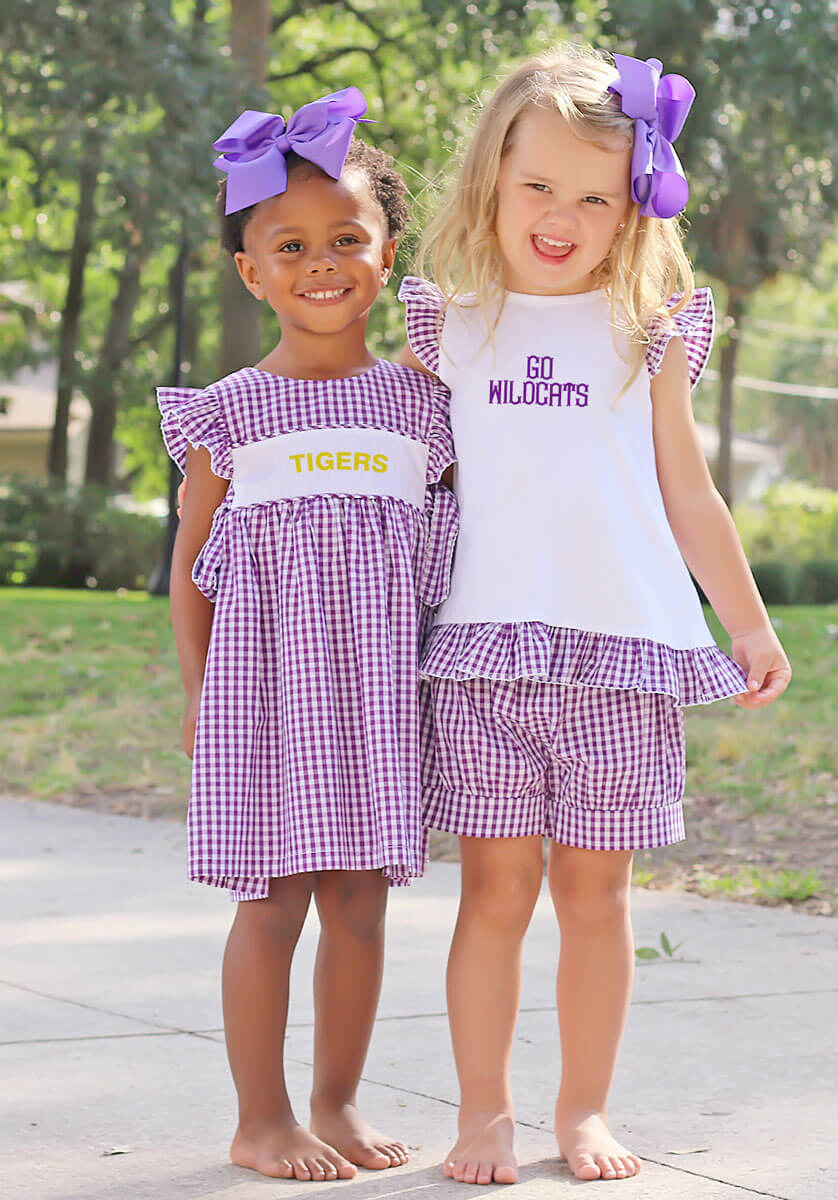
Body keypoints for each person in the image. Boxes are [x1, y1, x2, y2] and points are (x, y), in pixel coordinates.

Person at [397, 46, 791, 1185]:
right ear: (491, 182)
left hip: (623, 659)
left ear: (634, 207)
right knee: (494, 891)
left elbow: (688, 492)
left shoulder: (649, 333)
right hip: (483, 661)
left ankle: (584, 1111)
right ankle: (483, 1112)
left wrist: (750, 624)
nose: (561, 217)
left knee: (597, 894)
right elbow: (422, 486)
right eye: (538, 188)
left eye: (594, 196)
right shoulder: (450, 326)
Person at [161, 87, 457, 1182]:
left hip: (380, 689)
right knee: (273, 899)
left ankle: (334, 1102)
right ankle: (260, 1119)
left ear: (387, 255)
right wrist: (195, 693)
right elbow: (192, 569)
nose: (320, 262)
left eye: (347, 238)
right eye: (289, 246)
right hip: (262, 691)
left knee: (360, 901)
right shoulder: (227, 413)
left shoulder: (425, 409)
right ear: (252, 271)